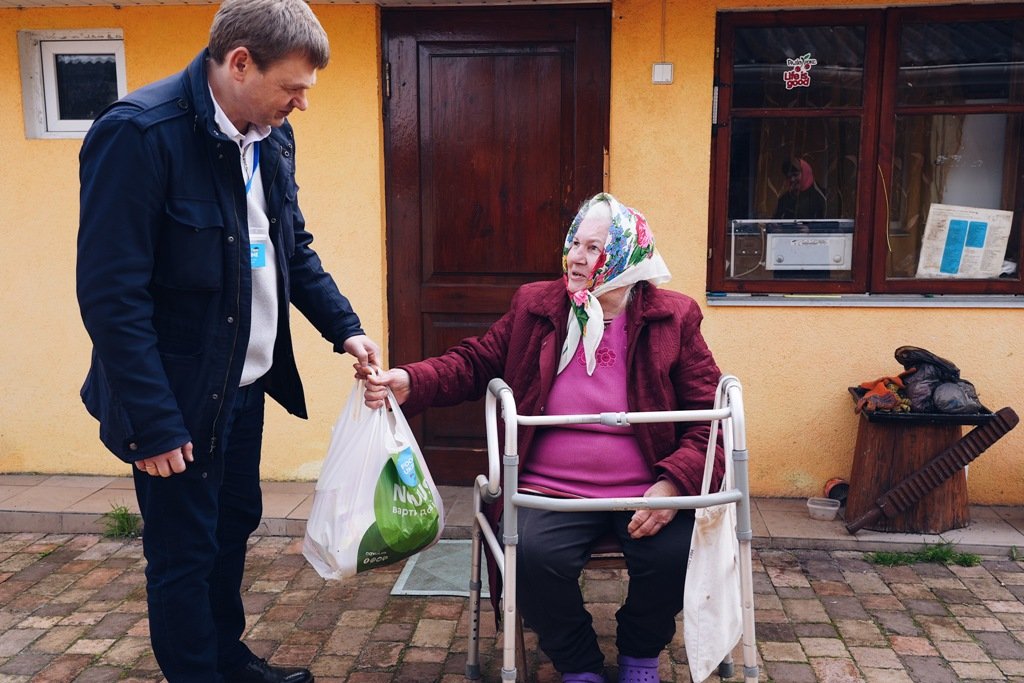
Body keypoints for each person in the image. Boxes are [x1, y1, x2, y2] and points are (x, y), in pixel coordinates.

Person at [76, 1, 380, 680]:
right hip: (176, 401)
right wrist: (153, 423)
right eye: (293, 87)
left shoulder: (269, 136)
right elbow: (110, 294)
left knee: (231, 526)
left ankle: (226, 659)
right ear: (240, 62)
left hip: (243, 390)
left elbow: (290, 246)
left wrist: (346, 328)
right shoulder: (139, 134)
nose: (302, 104)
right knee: (183, 553)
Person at [363, 192, 724, 683]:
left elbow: (710, 418)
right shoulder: (538, 304)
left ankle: (640, 653)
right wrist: (412, 380)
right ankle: (579, 664)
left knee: (674, 552)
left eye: (594, 248)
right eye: (574, 243)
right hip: (547, 489)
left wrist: (674, 486)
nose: (575, 257)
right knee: (531, 556)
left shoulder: (673, 318)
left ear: (627, 255)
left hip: (645, 489)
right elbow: (475, 361)